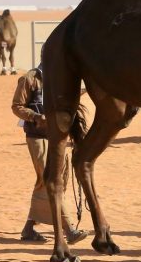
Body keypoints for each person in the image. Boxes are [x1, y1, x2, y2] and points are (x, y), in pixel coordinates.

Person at [12, 64, 88, 244]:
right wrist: (36, 117)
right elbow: (16, 106)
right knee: (51, 180)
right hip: (37, 138)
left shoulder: (61, 78)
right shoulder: (30, 79)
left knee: (47, 182)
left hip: (59, 138)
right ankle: (69, 229)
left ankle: (29, 227)